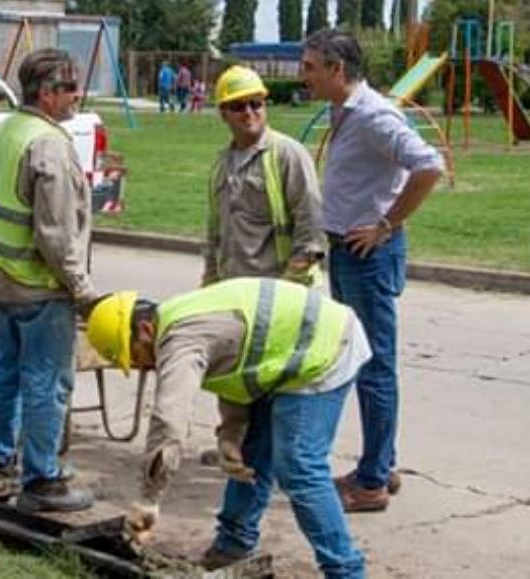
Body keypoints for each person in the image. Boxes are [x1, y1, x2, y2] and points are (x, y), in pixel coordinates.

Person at [86, 277, 370, 576]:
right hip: (287, 353)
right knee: (250, 458)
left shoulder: (179, 340)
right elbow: (235, 362)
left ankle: (345, 571)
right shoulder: (179, 316)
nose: (145, 368)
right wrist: (231, 433)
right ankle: (232, 546)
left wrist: (148, 497)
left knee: (300, 467)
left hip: (325, 349)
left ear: (144, 330)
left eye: (137, 357)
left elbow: (169, 421)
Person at [301, 30, 444, 512]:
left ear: (337, 70)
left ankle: (370, 485)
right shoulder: (348, 111)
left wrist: (385, 225)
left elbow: (429, 166)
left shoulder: (375, 116)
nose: (305, 76)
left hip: (368, 257)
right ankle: (381, 465)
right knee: (365, 360)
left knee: (373, 366)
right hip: (347, 251)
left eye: (310, 67)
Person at [0, 48, 98, 513]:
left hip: (3, 278)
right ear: (46, 94)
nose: (76, 95)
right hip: (39, 284)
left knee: (6, 372)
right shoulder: (48, 144)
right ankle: (43, 479)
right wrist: (81, 289)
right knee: (47, 383)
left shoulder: (7, 130)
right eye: (69, 88)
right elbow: (55, 232)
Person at [205, 65, 325, 289]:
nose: (249, 112)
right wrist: (209, 286)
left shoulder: (288, 154)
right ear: (223, 113)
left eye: (256, 104)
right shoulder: (220, 165)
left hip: (280, 288)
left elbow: (311, 225)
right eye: (239, 106)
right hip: (233, 290)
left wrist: (291, 285)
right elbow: (214, 235)